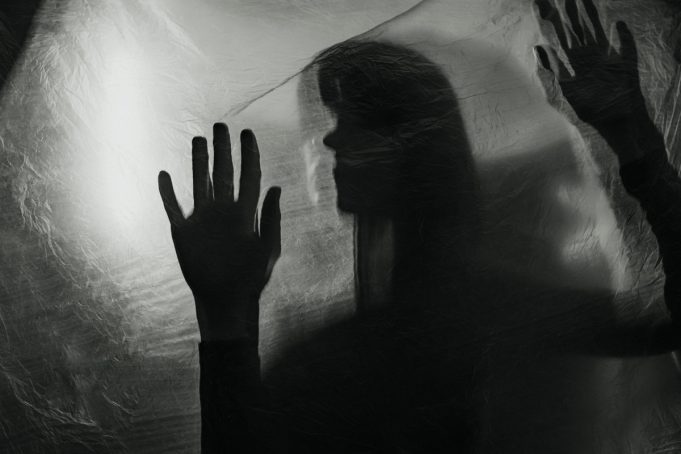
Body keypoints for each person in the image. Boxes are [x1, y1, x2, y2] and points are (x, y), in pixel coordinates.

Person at [157, 1, 681, 451]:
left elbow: (665, 330)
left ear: (423, 147)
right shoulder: (328, 349)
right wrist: (225, 318)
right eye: (331, 119)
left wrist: (637, 144)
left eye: (354, 119)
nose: (331, 141)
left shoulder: (495, 313)